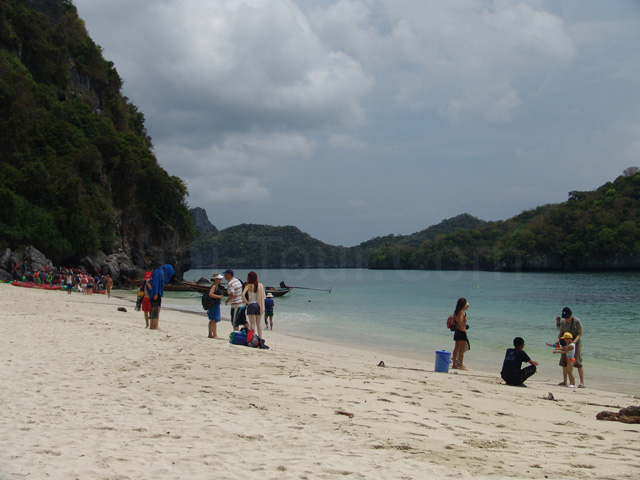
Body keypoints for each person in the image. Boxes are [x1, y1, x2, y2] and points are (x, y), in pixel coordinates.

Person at [557, 307, 585, 388]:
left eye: (568, 317)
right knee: (564, 362)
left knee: (578, 362)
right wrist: (558, 340)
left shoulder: (577, 321)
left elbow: (579, 334)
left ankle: (582, 382)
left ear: (571, 315)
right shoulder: (563, 322)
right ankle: (565, 381)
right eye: (565, 317)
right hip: (565, 342)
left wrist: (574, 342)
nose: (566, 319)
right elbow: (561, 332)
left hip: (575, 343)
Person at [149, 264, 175, 330]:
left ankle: (152, 325)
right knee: (156, 309)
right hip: (156, 293)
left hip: (155, 293)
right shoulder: (160, 273)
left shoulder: (158, 271)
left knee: (154, 309)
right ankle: (155, 326)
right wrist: (155, 293)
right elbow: (156, 283)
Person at [242, 271, 265, 338]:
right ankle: (260, 338)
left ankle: (253, 338)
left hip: (251, 304)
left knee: (252, 323)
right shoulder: (259, 285)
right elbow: (263, 296)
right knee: (259, 324)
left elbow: (242, 294)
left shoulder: (248, 285)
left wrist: (247, 302)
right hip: (258, 305)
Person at [451, 298, 470, 370]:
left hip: (457, 331)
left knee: (456, 348)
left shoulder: (456, 312)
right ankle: (461, 365)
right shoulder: (461, 312)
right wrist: (463, 329)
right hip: (461, 331)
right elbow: (460, 320)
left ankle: (454, 364)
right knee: (462, 349)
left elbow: (452, 322)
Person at [207, 273, 225, 339]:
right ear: (215, 279)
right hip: (214, 304)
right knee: (214, 319)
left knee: (212, 319)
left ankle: (210, 334)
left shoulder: (215, 286)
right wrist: (218, 296)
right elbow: (210, 294)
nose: (220, 280)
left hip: (213, 304)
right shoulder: (214, 286)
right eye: (219, 279)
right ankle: (215, 335)